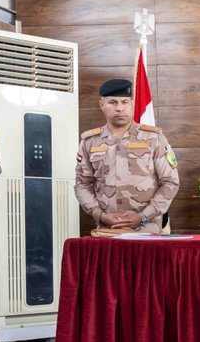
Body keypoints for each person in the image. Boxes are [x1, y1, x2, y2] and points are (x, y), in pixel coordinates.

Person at [73, 79, 179, 234]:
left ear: (132, 104)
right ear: (101, 104)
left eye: (125, 102)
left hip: (147, 229)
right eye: (112, 102)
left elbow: (170, 182)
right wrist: (100, 215)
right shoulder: (89, 141)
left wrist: (143, 216)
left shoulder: (153, 138)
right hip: (107, 230)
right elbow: (82, 184)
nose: (119, 108)